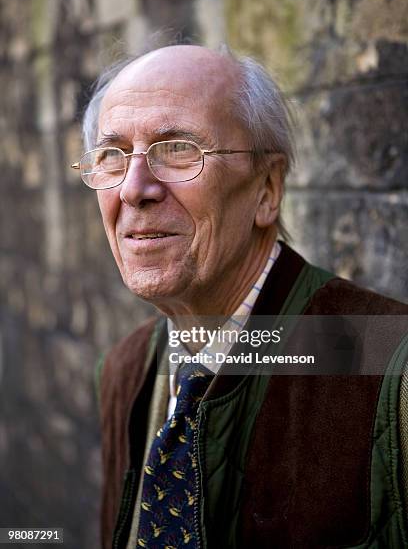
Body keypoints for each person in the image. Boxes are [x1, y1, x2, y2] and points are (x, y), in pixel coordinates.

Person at [72, 44, 408, 549]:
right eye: (112, 157)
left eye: (178, 147)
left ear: (267, 189)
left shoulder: (391, 372)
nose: (133, 188)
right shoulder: (122, 371)